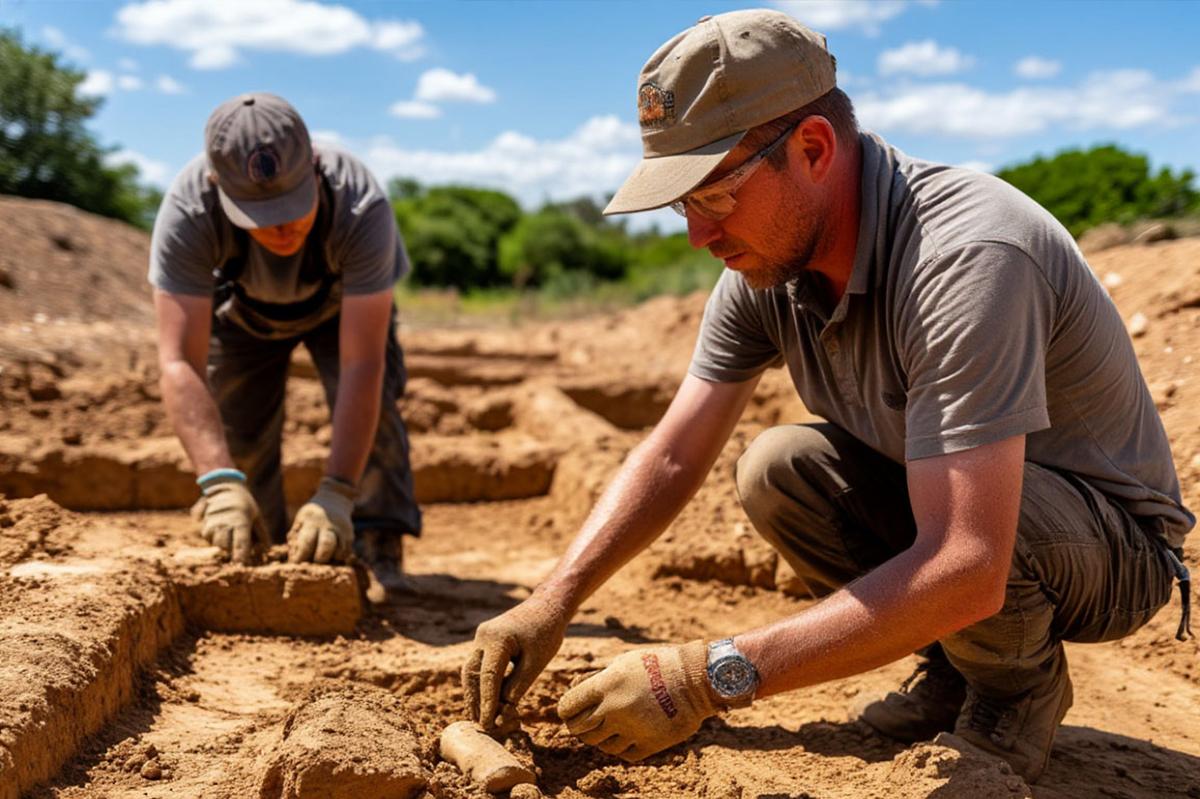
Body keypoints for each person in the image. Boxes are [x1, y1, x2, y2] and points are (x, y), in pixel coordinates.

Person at [461, 9, 1194, 782]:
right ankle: (953, 669)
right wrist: (553, 599)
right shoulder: (766, 265)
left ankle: (1014, 696)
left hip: (1108, 548)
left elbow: (970, 557)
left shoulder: (967, 256)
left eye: (711, 196)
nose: (697, 237)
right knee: (779, 468)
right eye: (682, 205)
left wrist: (705, 676)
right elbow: (676, 452)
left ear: (812, 149)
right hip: (963, 510)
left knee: (973, 544)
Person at [149, 92, 421, 603]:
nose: (281, 227)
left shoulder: (361, 205)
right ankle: (263, 546)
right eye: (257, 215)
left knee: (375, 403)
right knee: (239, 433)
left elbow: (362, 363)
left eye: (292, 206)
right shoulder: (189, 211)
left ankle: (379, 544)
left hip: (341, 309)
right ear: (217, 185)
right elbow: (178, 359)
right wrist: (217, 481)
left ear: (314, 166)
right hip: (244, 316)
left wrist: (339, 490)